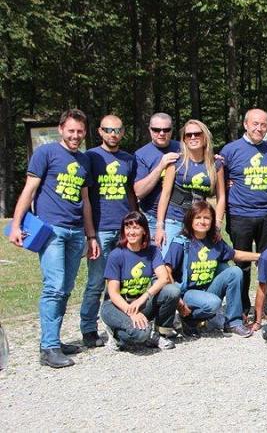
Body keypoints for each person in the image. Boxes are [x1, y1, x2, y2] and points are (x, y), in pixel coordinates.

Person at [8, 109, 100, 368]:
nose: (75, 135)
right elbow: (29, 189)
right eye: (71, 130)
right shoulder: (45, 153)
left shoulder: (84, 161)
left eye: (80, 131)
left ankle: (53, 341)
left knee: (66, 288)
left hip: (75, 231)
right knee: (54, 286)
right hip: (52, 230)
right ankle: (48, 348)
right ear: (61, 129)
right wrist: (16, 224)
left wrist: (90, 235)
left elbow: (85, 202)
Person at [80, 115, 138, 348]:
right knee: (96, 281)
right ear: (100, 132)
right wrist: (90, 234)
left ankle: (114, 323)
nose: (113, 134)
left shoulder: (128, 159)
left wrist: (136, 221)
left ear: (123, 132)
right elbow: (84, 197)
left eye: (117, 130)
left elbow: (131, 193)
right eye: (108, 130)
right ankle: (88, 328)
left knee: (122, 282)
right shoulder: (91, 157)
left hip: (125, 229)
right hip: (101, 229)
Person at [161, 201, 259, 337]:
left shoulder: (214, 241)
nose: (202, 221)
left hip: (208, 289)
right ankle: (189, 319)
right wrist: (178, 302)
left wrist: (260, 256)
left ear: (212, 221)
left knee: (235, 272)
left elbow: (235, 254)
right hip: (188, 293)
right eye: (198, 217)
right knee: (214, 303)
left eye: (207, 218)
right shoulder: (181, 241)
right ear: (190, 220)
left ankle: (234, 323)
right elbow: (167, 270)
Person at [220, 108, 267, 320]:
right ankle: (243, 309)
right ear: (245, 124)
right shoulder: (230, 150)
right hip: (240, 215)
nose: (259, 128)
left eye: (263, 124)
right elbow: (220, 181)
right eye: (255, 123)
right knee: (242, 265)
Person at [100, 211, 179, 351]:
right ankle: (117, 333)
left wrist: (144, 298)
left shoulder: (152, 251)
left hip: (139, 303)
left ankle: (159, 333)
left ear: (144, 230)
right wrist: (131, 312)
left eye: (136, 228)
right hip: (116, 306)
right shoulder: (116, 254)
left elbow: (163, 278)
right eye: (128, 227)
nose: (131, 232)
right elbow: (113, 293)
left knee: (172, 291)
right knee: (140, 334)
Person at [154, 119, 225, 250]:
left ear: (205, 137)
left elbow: (221, 198)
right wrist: (160, 226)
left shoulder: (216, 164)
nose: (193, 137)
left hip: (199, 221)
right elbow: (165, 195)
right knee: (169, 261)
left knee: (193, 263)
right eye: (188, 135)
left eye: (197, 134)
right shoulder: (176, 161)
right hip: (174, 218)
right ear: (184, 139)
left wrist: (217, 226)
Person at [133, 113, 180, 235]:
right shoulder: (141, 155)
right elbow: (139, 192)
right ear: (149, 130)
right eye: (156, 130)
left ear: (172, 130)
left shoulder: (182, 148)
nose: (162, 133)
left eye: (166, 130)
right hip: (152, 218)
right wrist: (161, 166)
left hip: (180, 216)